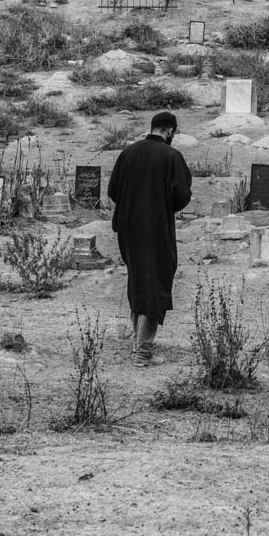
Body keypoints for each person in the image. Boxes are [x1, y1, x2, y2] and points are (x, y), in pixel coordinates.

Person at [108, 111, 193, 366]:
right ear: (170, 131)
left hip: (127, 228)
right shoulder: (171, 156)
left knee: (138, 279)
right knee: (156, 282)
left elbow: (113, 192)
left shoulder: (128, 153)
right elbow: (180, 196)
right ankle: (144, 351)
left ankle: (138, 341)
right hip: (155, 229)